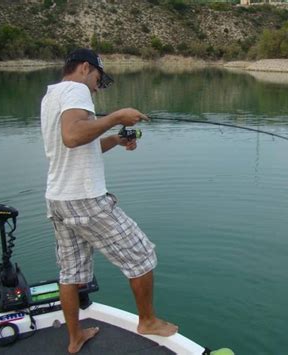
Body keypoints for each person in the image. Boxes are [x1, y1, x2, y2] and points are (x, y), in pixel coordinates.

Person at [40, 48, 177, 354]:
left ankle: (74, 338)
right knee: (141, 256)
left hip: (58, 199)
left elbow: (76, 147)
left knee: (71, 273)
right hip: (84, 199)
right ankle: (148, 321)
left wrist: (116, 138)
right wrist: (116, 116)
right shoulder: (76, 89)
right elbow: (73, 137)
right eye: (98, 80)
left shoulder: (51, 96)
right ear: (86, 68)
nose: (96, 87)